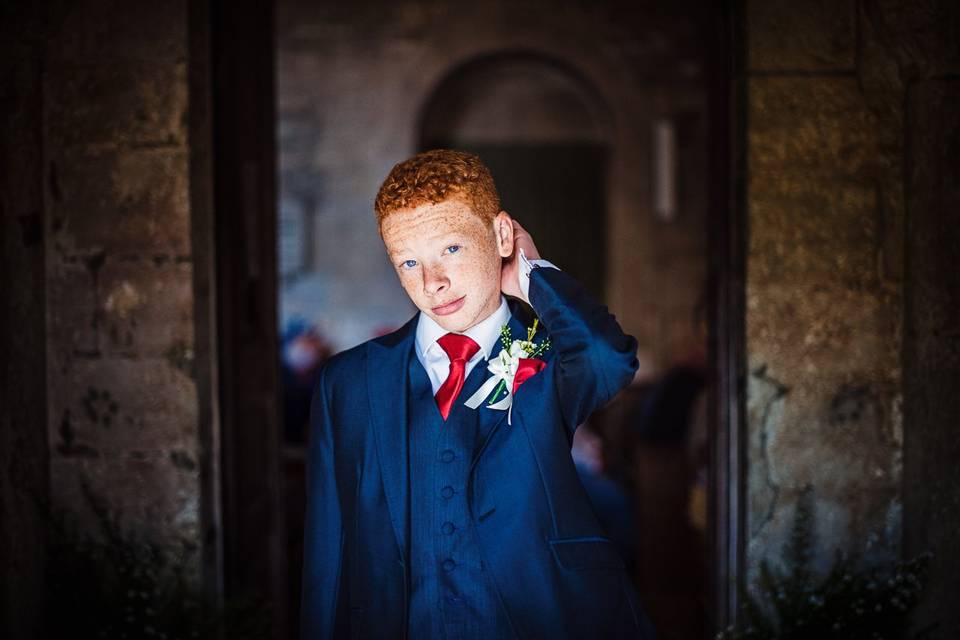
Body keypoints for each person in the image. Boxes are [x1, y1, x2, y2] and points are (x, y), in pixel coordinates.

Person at [301, 149, 655, 639]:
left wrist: (529, 275)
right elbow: (328, 547)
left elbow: (607, 358)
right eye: (408, 262)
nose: (433, 283)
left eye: (451, 249)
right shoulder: (348, 382)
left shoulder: (551, 355)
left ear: (501, 235)